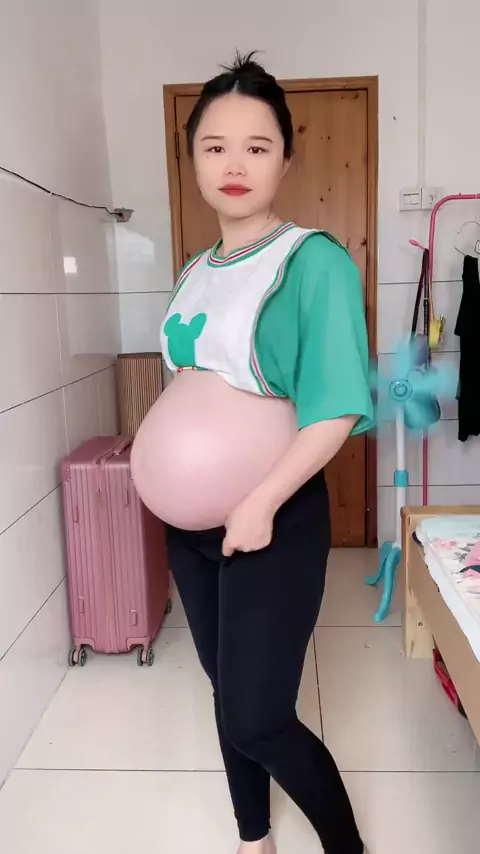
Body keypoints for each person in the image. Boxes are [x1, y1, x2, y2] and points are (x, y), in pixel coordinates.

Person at [132, 52, 373, 854]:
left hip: (271, 518)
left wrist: (260, 501)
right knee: (227, 691)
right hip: (191, 529)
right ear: (192, 158)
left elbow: (337, 406)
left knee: (259, 716)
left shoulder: (313, 261)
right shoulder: (193, 271)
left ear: (285, 159)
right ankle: (253, 839)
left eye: (257, 146)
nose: (234, 164)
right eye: (215, 146)